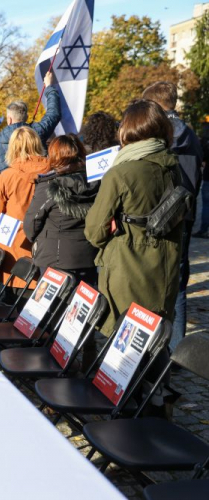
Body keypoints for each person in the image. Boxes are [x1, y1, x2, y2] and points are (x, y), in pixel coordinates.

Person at [84, 99, 182, 335]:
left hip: (126, 269)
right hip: (165, 266)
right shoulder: (173, 167)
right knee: (155, 343)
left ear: (127, 129)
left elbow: (94, 231)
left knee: (123, 347)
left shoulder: (119, 173)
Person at [142, 81, 205, 353]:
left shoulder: (160, 136)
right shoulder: (191, 135)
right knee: (178, 284)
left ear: (155, 105)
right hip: (184, 214)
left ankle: (154, 347)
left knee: (155, 282)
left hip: (160, 216)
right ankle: (176, 350)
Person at [24, 134, 99, 286]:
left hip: (54, 258)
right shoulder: (97, 182)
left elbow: (31, 224)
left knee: (52, 308)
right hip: (88, 255)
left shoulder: (49, 186)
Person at [0, 127, 51, 292]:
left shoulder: (7, 176)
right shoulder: (52, 172)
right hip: (47, 245)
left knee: (15, 307)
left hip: (14, 248)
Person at [0, 72, 60, 183]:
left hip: (13, 193)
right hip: (38, 189)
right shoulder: (37, 131)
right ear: (27, 117)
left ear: (9, 119)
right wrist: (49, 87)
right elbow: (54, 114)